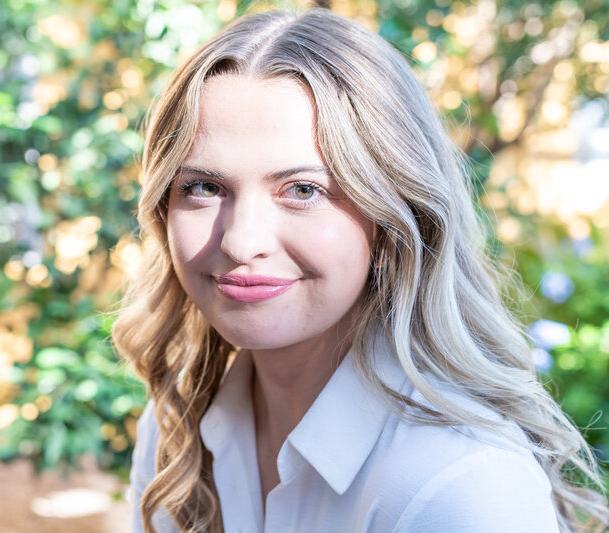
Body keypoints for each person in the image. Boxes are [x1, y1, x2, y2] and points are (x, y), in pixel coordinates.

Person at [111, 8, 608, 533]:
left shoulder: (459, 488)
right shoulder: (178, 430)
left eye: (304, 190)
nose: (240, 241)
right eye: (204, 187)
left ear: (392, 214)